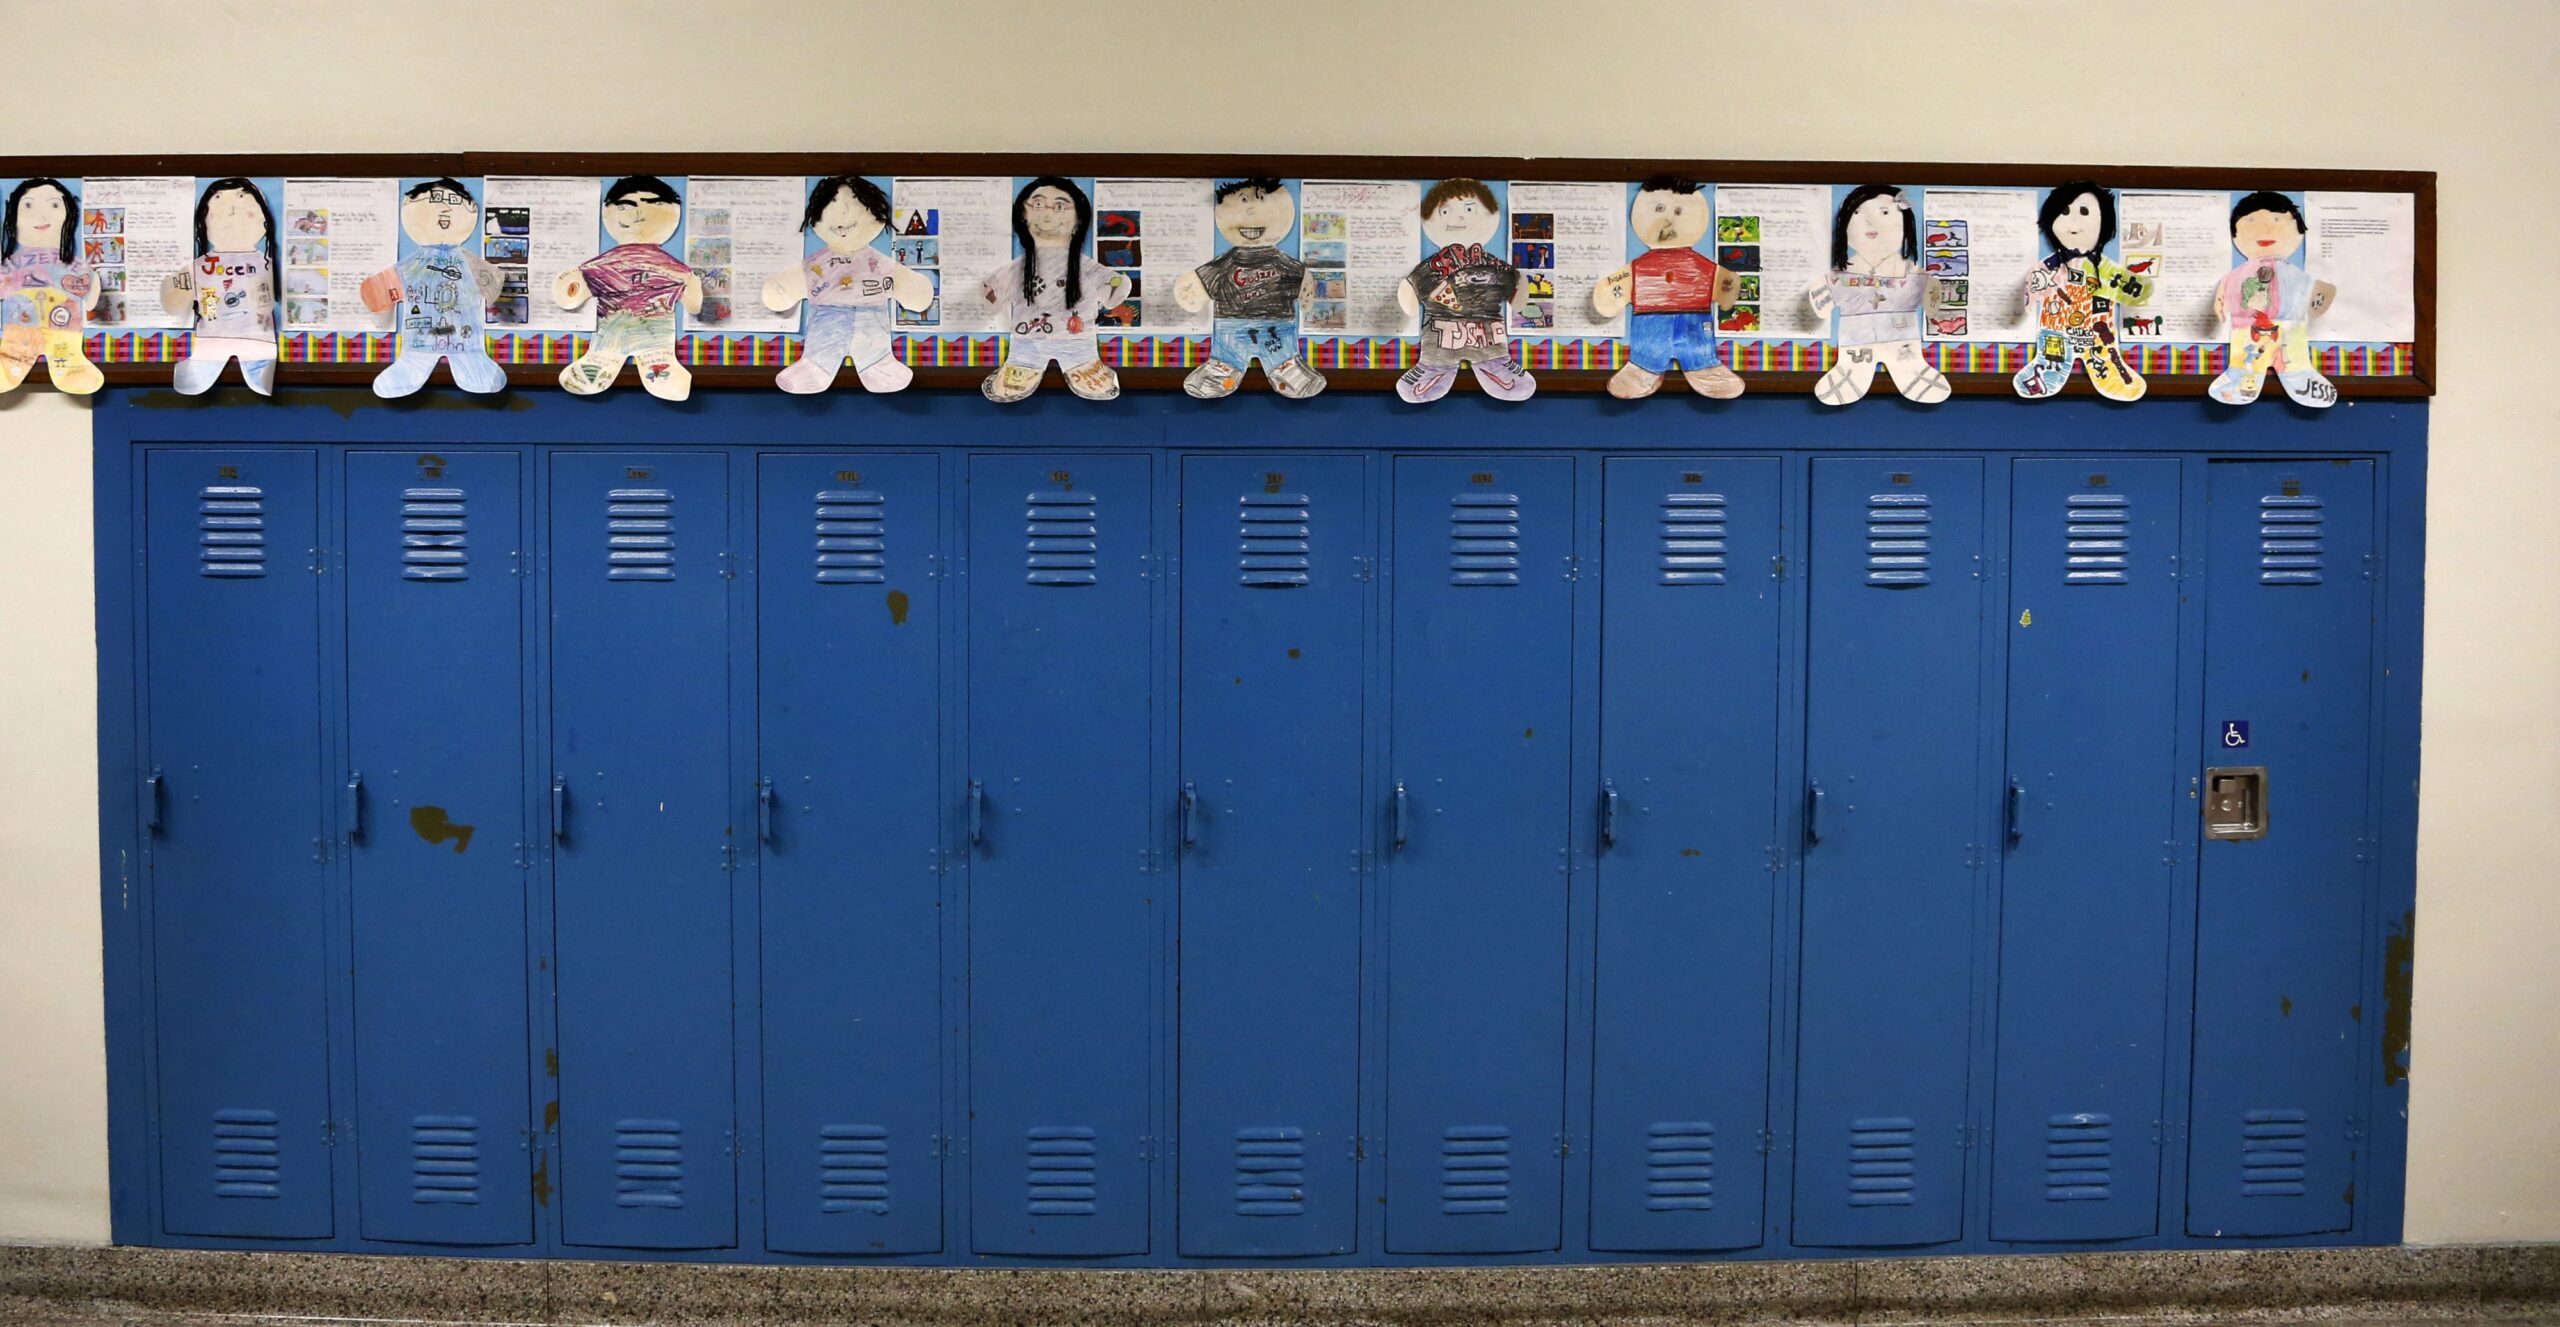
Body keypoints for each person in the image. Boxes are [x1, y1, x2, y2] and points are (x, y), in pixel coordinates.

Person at [764, 174, 933, 394]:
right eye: (833, 202)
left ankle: (878, 364)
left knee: (873, 349)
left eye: (854, 201)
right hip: (826, 316)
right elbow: (784, 289)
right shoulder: (815, 264)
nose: (843, 211)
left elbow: (913, 291)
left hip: (870, 315)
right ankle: (816, 366)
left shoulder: (881, 263)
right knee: (821, 351)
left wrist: (914, 290)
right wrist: (780, 290)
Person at [977, 177, 1128, 403]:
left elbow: (1116, 284)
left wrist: (1118, 283)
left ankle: (1086, 371)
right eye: (1037, 204)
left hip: (1079, 347)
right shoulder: (1018, 269)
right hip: (1026, 346)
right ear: (1023, 215)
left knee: (1086, 369)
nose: (1048, 214)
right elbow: (990, 292)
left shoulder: (1085, 267)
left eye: (1060, 206)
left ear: (1078, 219)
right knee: (1018, 373)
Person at [1593, 175, 1745, 400]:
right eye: (1660, 208)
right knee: (1648, 353)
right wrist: (1608, 296)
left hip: (1694, 318)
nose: (1668, 221)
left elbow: (1722, 282)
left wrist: (1727, 289)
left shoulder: (1702, 265)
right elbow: (1618, 285)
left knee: (1699, 351)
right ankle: (1641, 369)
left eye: (1677, 212)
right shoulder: (1638, 266)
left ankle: (1705, 368)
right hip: (1649, 319)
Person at [1172, 177, 1325, 400]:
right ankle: (1222, 371)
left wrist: (1305, 292)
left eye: (1261, 200)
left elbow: (1303, 282)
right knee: (1226, 361)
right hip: (1230, 327)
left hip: (1278, 327)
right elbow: (1195, 286)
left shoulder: (1285, 264)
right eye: (1242, 201)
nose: (1251, 211)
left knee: (1285, 362)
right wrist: (1191, 292)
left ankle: (1289, 371)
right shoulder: (1224, 264)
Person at [554, 174, 701, 400]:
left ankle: (663, 373)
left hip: (656, 339)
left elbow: (694, 305)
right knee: (604, 357)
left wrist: (693, 287)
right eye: (625, 206)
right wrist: (571, 285)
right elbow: (571, 294)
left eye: (655, 206)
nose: (639, 214)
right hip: (609, 339)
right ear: (609, 211)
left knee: (660, 363)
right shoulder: (599, 266)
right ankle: (598, 366)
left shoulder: (674, 268)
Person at [360, 178, 508, 397]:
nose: (444, 208)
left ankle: (475, 363)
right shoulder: (412, 265)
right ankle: (409, 369)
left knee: (470, 353)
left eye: (453, 201)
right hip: (420, 340)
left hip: (465, 339)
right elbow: (378, 290)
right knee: (416, 355)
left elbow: (494, 284)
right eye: (434, 201)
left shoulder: (468, 261)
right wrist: (376, 291)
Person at [1805, 183, 1949, 406]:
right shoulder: (1839, 275)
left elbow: (1932, 303)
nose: (1870, 222)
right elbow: (1822, 302)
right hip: (1855, 344)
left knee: (1908, 366)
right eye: (1858, 213)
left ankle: (1914, 375)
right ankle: (1848, 377)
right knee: (1852, 369)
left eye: (1884, 212)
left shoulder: (1912, 273)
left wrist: (1931, 292)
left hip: (1904, 343)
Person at [1395, 178, 1534, 403]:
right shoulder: (1433, 266)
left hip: (1490, 342)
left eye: (1469, 209)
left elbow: (1517, 292)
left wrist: (1520, 287)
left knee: (1508, 378)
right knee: (1424, 380)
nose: (1459, 217)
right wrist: (1409, 294)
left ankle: (1497, 364)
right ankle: (1432, 367)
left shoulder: (1495, 265)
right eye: (1446, 210)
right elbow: (1411, 287)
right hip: (1438, 344)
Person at [2013, 181, 2152, 402]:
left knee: (2105, 357)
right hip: (2055, 329)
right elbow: (2032, 289)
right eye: (2065, 212)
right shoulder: (2048, 267)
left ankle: (2116, 377)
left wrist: (2139, 291)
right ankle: (2045, 375)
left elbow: (2138, 293)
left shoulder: (2106, 270)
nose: (2073, 224)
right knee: (2051, 358)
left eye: (2084, 212)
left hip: (2097, 331)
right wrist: (2029, 301)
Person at [2207, 190, 2337, 408]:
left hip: (2289, 327)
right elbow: (2225, 289)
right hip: (2247, 328)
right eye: (2251, 221)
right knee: (2246, 363)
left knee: (2293, 359)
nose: (2265, 229)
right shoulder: (2238, 274)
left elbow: (2311, 287)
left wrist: (2322, 293)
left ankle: (2300, 375)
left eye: (2277, 219)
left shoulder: (2291, 271)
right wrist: (2220, 302)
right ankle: (2239, 378)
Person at [161, 177, 279, 396]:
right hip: (211, 342)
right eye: (219, 207)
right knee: (195, 380)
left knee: (260, 376)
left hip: (258, 343)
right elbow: (171, 303)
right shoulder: (198, 267)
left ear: (263, 221)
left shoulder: (267, 264)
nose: (232, 212)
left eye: (245, 209)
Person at [0, 177, 103, 394]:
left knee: (66, 353)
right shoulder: (12, 263)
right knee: (12, 353)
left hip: (63, 327)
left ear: (68, 214)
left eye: (54, 205)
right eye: (28, 205)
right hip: (20, 328)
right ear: (13, 216)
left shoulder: (73, 265)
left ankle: (72, 369)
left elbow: (91, 296)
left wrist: (92, 285)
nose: (42, 216)